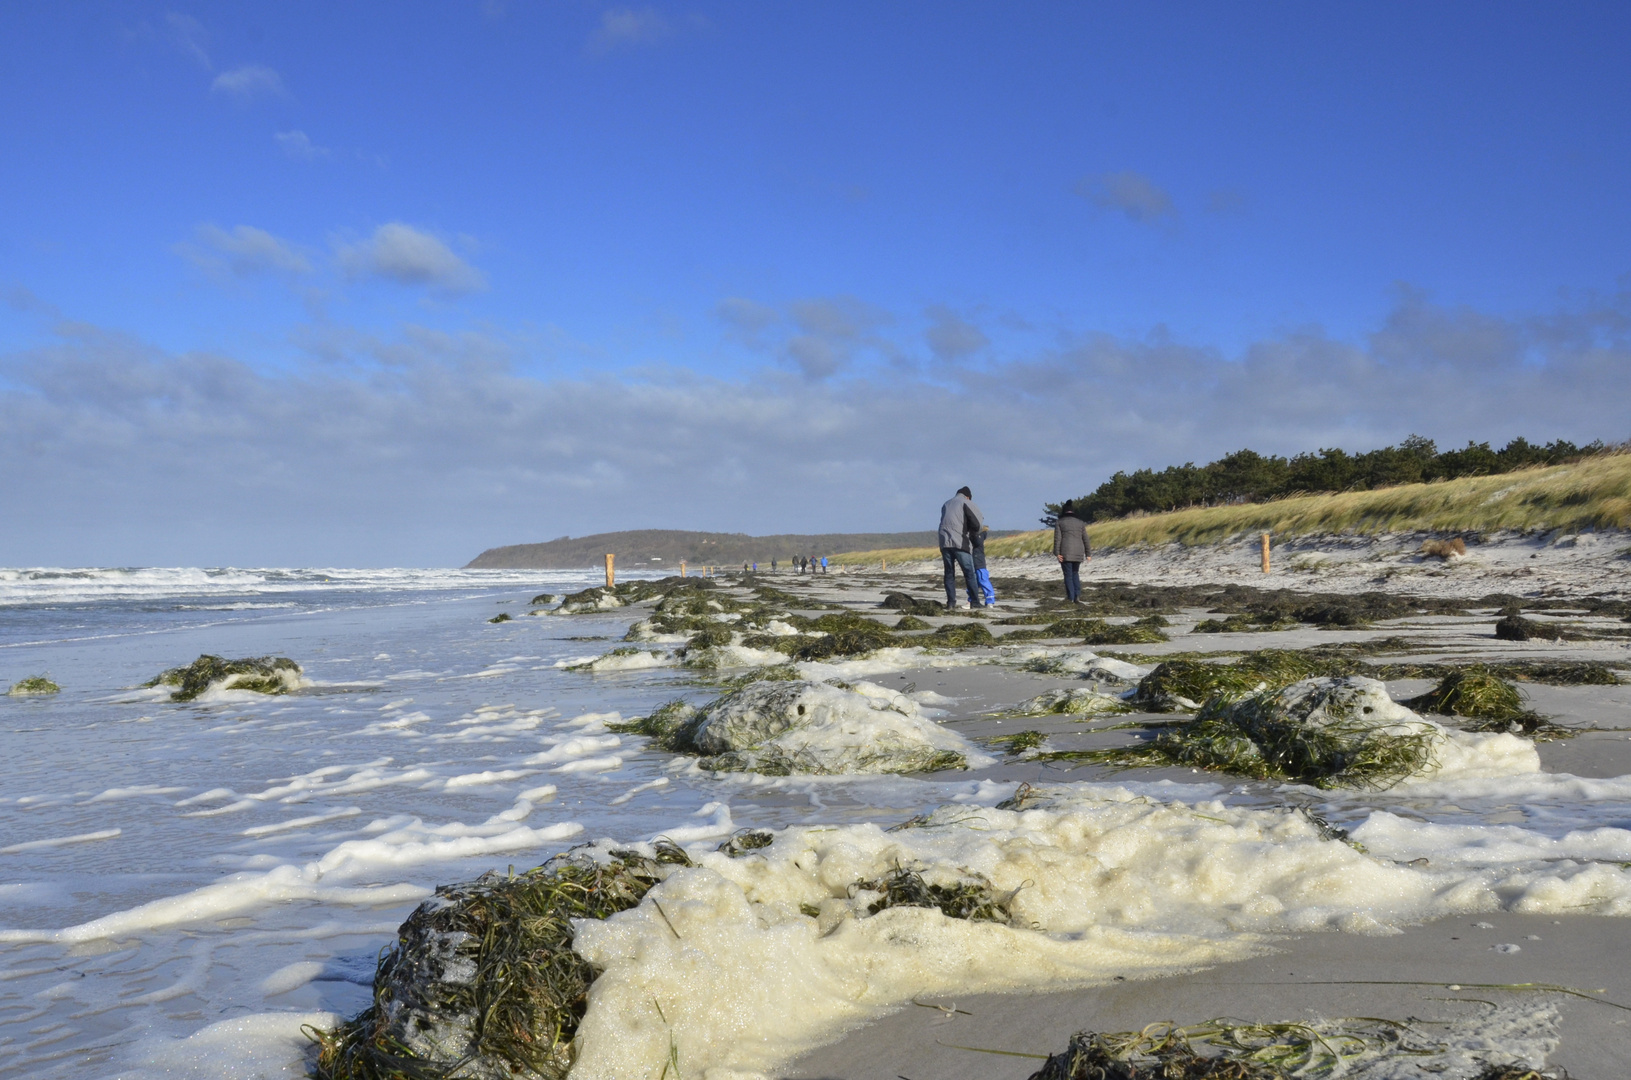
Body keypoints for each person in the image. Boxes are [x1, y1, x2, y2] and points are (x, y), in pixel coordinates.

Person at [937, 486, 985, 609]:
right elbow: (977, 524)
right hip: (959, 542)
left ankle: (951, 603)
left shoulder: (946, 504)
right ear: (968, 496)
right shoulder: (966, 502)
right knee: (969, 573)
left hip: (944, 542)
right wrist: (973, 533)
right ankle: (975, 602)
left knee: (949, 573)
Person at [1053, 500, 1092, 603]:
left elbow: (1058, 539)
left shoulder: (1059, 522)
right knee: (1075, 573)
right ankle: (1077, 596)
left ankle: (1070, 597)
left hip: (1066, 552)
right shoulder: (1080, 522)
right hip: (1079, 552)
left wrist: (1057, 553)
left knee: (1068, 575)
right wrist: (1088, 554)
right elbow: (1085, 539)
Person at [967, 526, 997, 608]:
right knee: (972, 582)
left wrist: (971, 534)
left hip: (979, 563)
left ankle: (990, 601)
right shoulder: (973, 535)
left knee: (983, 581)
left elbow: (977, 542)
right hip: (972, 562)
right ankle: (971, 600)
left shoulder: (980, 535)